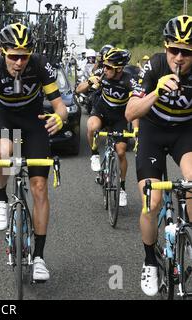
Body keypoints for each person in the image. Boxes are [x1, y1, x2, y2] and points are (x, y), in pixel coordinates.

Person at [0, 23, 67, 281]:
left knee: (39, 187)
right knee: (1, 149)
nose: (19, 61)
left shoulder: (39, 65)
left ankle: (39, 257)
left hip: (33, 122)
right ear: (2, 52)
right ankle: (1, 199)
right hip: (3, 119)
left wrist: (60, 118)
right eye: (13, 55)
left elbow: (61, 106)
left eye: (24, 55)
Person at [126, 15, 192, 297]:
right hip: (153, 131)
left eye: (186, 52)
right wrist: (156, 90)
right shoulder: (154, 66)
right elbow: (130, 113)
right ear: (165, 48)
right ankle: (150, 261)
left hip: (184, 132)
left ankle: (187, 229)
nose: (179, 57)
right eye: (173, 50)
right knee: (151, 202)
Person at [76, 48, 138, 207]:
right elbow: (78, 89)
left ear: (119, 68)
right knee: (91, 126)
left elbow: (136, 107)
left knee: (122, 151)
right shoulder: (100, 73)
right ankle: (95, 154)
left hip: (119, 117)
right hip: (102, 111)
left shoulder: (129, 81)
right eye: (104, 65)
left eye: (109, 67)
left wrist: (136, 130)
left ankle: (122, 189)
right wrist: (91, 82)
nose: (105, 69)